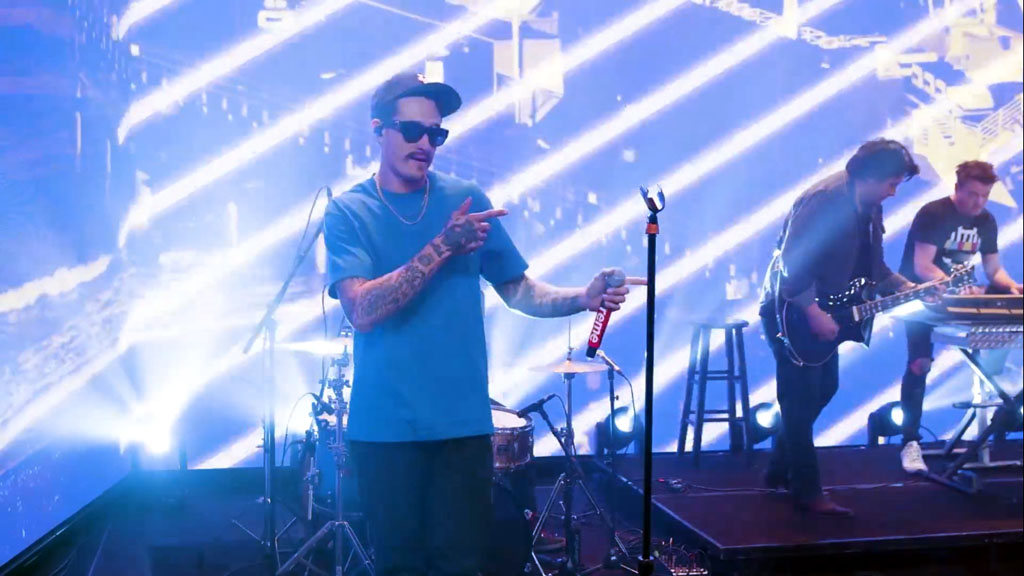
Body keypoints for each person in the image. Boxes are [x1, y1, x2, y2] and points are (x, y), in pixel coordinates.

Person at [323, 71, 644, 576]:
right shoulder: (349, 211)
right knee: (399, 567)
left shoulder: (465, 197)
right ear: (379, 129)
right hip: (386, 429)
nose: (425, 144)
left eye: (436, 134)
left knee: (462, 566)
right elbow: (361, 311)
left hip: (463, 426)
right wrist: (441, 247)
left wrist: (583, 298)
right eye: (413, 131)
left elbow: (520, 291)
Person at [759, 139, 920, 516]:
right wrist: (813, 311)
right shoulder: (826, 200)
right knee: (798, 400)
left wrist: (908, 288)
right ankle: (807, 490)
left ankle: (778, 469)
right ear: (870, 176)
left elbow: (874, 266)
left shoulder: (870, 205)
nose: (894, 193)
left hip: (826, 307)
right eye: (892, 183)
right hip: (792, 309)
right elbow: (793, 263)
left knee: (823, 389)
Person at [896, 160, 1023, 474]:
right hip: (921, 296)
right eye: (973, 194)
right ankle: (910, 442)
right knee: (920, 364)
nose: (979, 202)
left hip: (959, 297)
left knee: (1005, 313)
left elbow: (993, 268)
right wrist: (952, 285)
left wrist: (1010, 286)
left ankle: (997, 417)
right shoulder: (934, 213)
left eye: (985, 196)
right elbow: (922, 265)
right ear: (957, 189)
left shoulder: (986, 220)